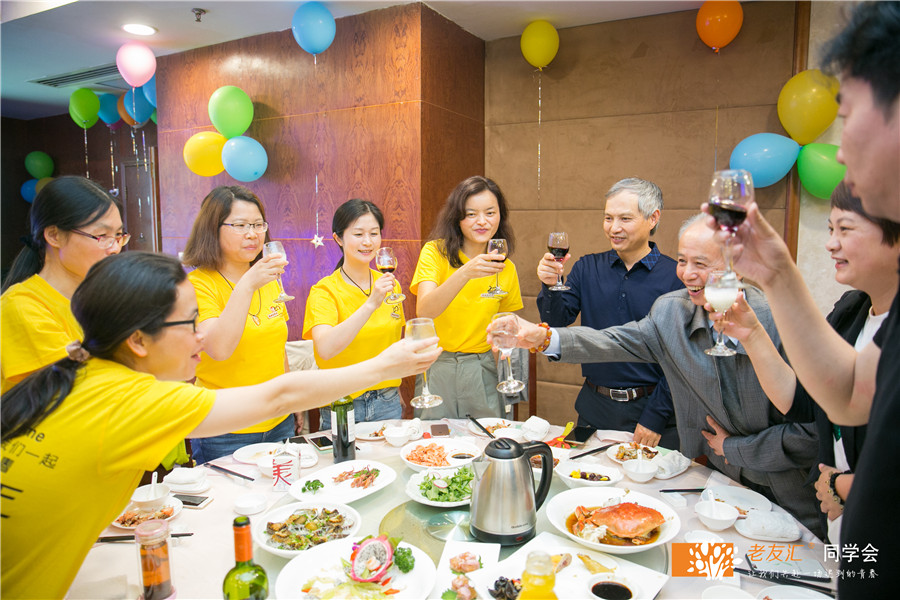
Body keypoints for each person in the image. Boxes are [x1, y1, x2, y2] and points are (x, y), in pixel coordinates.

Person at [0, 251, 440, 599]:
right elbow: (278, 396)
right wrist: (385, 366)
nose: (202, 337)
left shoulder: (73, 376)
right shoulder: (128, 400)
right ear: (136, 340)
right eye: (190, 323)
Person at [702, 3, 900, 593]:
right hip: (855, 555)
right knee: (697, 563)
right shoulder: (862, 313)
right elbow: (848, 395)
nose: (839, 151)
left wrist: (841, 484)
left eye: (849, 114)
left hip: (821, 525)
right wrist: (777, 275)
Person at [492, 216, 821, 536]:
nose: (687, 274)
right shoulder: (672, 311)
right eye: (682, 260)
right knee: (706, 567)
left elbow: (811, 434)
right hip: (719, 492)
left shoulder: (780, 323)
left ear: (738, 265)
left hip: (786, 494)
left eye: (701, 264)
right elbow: (614, 340)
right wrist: (543, 336)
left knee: (788, 569)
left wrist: (734, 448)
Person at [716, 182, 899, 543]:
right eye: (830, 229)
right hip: (845, 531)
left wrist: (840, 485)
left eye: (845, 229)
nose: (831, 243)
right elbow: (804, 401)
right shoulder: (852, 310)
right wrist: (752, 334)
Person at [536, 178, 681, 448]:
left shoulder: (675, 276)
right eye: (608, 218)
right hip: (593, 408)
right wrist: (550, 285)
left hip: (653, 413)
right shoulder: (587, 267)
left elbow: (681, 359)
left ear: (653, 218)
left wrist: (656, 416)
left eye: (625, 218)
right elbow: (555, 323)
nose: (614, 228)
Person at [181, 186, 293, 463]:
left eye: (258, 225)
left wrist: (292, 399)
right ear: (213, 229)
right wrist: (248, 284)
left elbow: (278, 346)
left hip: (278, 419)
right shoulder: (197, 284)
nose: (252, 234)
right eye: (240, 225)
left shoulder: (268, 279)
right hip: (225, 426)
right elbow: (219, 349)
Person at [1, 176, 127, 393]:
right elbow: (80, 392)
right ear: (54, 235)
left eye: (118, 235)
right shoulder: (21, 306)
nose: (115, 248)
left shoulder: (104, 298)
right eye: (101, 236)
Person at [410, 175, 523, 418]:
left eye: (490, 213)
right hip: (438, 365)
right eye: (471, 214)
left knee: (486, 435)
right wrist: (466, 272)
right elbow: (425, 310)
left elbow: (505, 328)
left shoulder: (506, 268)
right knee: (434, 437)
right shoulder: (434, 252)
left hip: (482, 367)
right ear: (457, 217)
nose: (482, 221)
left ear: (500, 215)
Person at [303, 199, 405, 429]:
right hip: (342, 400)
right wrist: (371, 304)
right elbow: (325, 349)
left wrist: (395, 390)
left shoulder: (391, 285)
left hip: (386, 399)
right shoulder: (324, 291)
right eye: (358, 234)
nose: (368, 242)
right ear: (338, 238)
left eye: (374, 233)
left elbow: (392, 342)